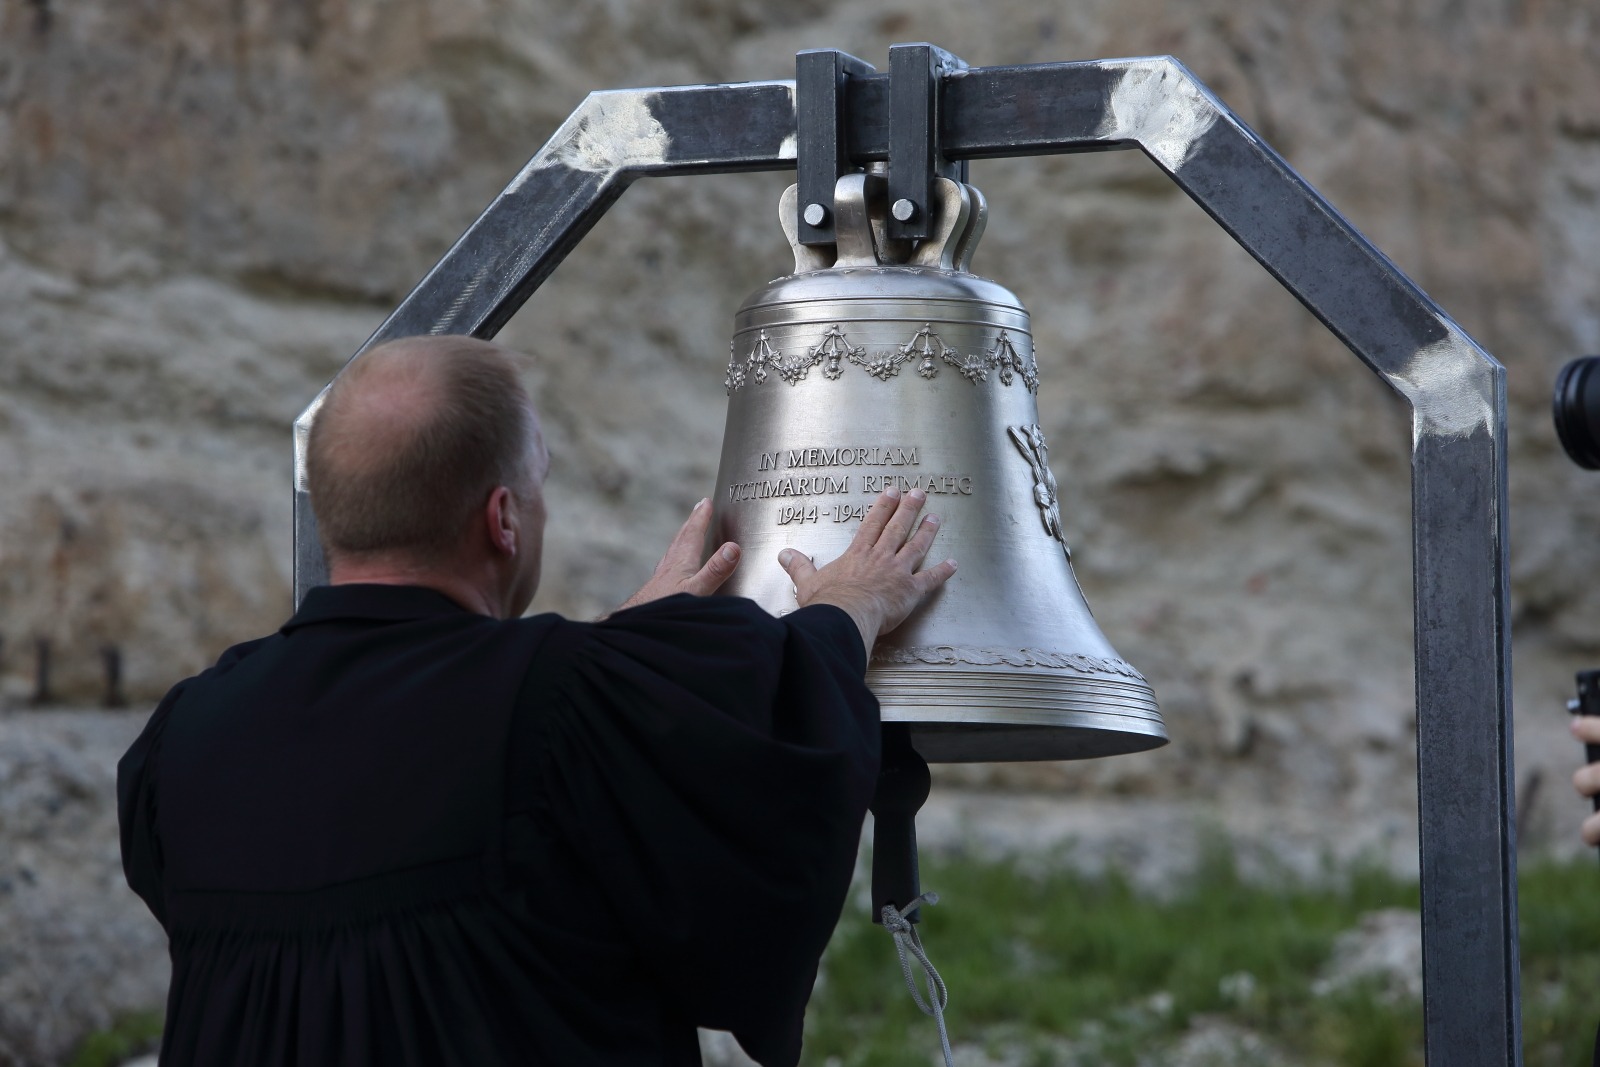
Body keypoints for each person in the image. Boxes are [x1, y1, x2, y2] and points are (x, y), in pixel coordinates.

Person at [117, 335, 957, 1067]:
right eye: (539, 484)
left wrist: (614, 657)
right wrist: (848, 608)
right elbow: (758, 776)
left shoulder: (183, 733)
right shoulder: (572, 704)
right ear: (503, 520)